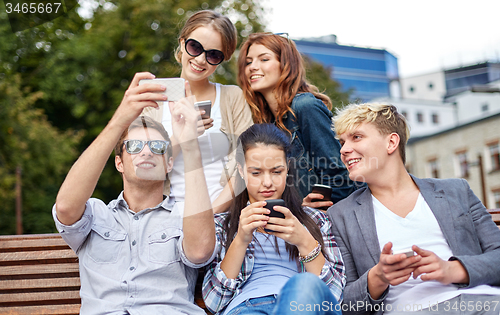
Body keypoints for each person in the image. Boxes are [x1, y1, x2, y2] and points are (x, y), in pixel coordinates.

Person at [53, 72, 216, 315]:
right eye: (134, 146)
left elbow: (201, 250)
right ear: (119, 163)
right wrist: (121, 119)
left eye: (158, 147)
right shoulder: (96, 214)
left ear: (169, 163)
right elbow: (65, 208)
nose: (146, 152)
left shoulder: (186, 215)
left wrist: (189, 141)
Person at [328, 103, 500, 315]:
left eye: (356, 137)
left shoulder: (456, 191)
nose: (344, 150)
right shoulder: (340, 215)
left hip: (484, 303)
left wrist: (452, 270)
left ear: (391, 142)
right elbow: (343, 304)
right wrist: (378, 277)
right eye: (342, 142)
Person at [202, 123, 345, 315]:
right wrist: (241, 238)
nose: (267, 182)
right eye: (256, 173)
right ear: (241, 171)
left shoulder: (316, 219)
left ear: (287, 169)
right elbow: (215, 302)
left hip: (301, 306)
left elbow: (335, 294)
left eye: (276, 171)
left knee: (304, 284)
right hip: (247, 308)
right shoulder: (221, 225)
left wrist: (303, 240)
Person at [142, 10, 253, 213]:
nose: (201, 60)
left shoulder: (232, 97)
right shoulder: (153, 99)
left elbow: (247, 163)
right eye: (195, 47)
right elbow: (140, 167)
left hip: (220, 218)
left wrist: (208, 216)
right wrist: (182, 138)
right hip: (163, 217)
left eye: (213, 55)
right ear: (182, 42)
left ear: (223, 59)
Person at [237, 32, 358, 209]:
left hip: (324, 225)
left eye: (264, 59)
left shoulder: (305, 107)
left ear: (285, 65)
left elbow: (339, 178)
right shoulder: (264, 124)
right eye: (248, 62)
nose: (252, 67)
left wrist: (312, 211)